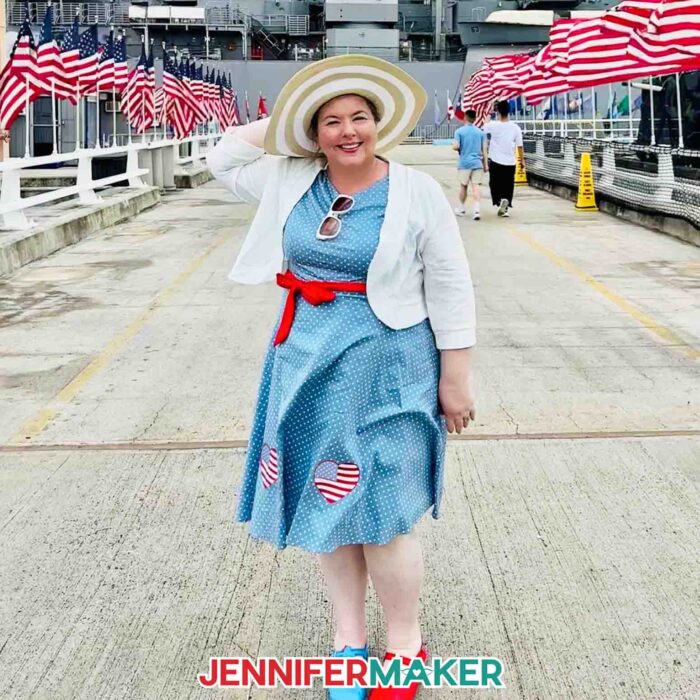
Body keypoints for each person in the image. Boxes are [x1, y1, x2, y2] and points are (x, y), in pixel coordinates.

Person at [207, 54, 476, 700]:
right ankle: (346, 646)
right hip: (305, 365)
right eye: (330, 121)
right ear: (313, 132)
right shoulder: (291, 179)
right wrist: (283, 125)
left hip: (390, 370)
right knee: (329, 510)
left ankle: (405, 646)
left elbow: (450, 286)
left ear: (379, 123)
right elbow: (222, 161)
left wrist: (455, 379)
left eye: (359, 117)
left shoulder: (418, 192)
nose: (348, 131)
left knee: (382, 516)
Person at [483, 100, 524, 217]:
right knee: (508, 184)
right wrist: (522, 161)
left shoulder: (494, 125)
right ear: (509, 111)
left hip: (496, 161)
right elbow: (520, 146)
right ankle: (505, 204)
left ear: (498, 112)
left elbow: (484, 126)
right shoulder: (515, 128)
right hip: (510, 162)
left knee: (494, 184)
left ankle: (499, 200)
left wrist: (489, 112)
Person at [452, 109, 488, 220]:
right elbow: (485, 150)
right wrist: (486, 164)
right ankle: (476, 210)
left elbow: (455, 146)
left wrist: (455, 145)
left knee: (463, 186)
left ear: (465, 118)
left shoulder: (459, 132)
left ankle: (462, 208)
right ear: (475, 118)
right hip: (477, 163)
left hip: (464, 163)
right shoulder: (480, 132)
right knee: (476, 186)